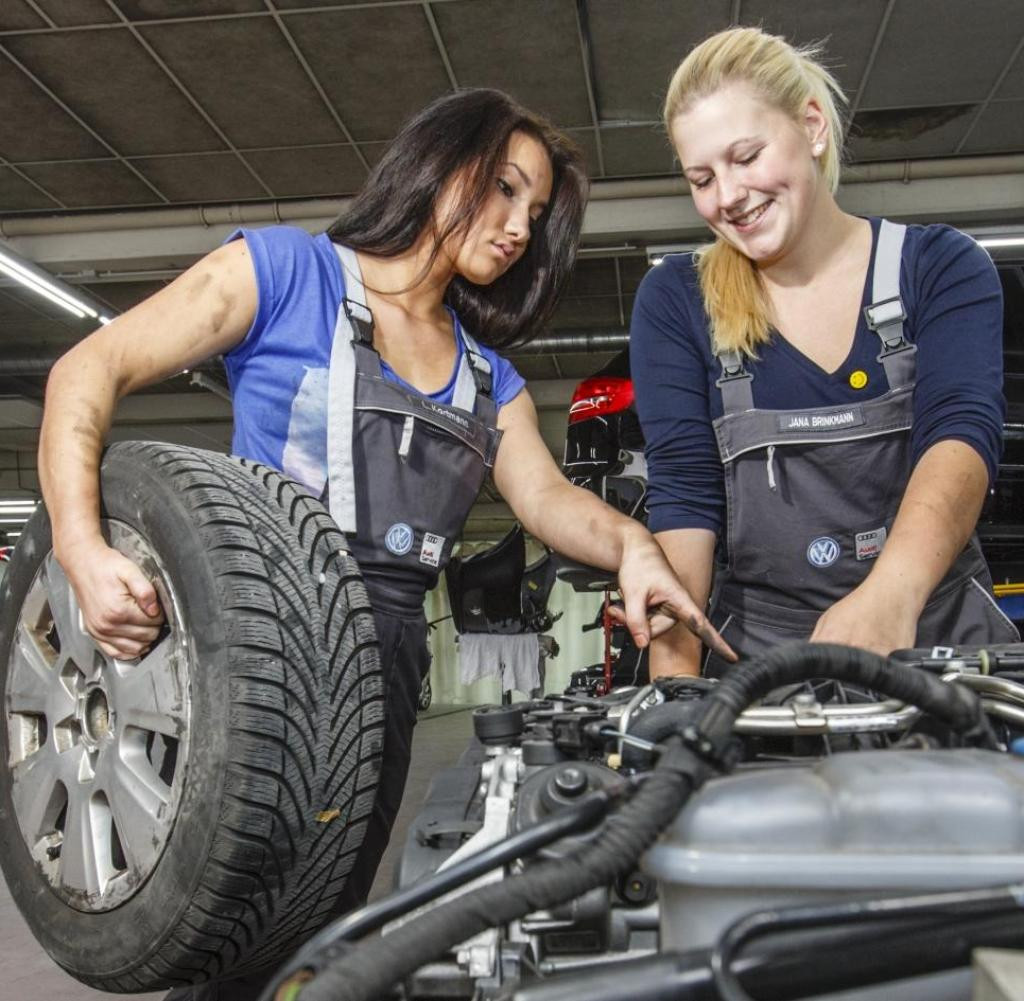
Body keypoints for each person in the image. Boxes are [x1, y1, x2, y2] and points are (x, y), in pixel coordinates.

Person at [38, 88, 734, 996]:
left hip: (387, 659)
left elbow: (546, 497)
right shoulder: (285, 272)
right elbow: (88, 368)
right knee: (230, 923)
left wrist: (635, 546)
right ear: (443, 163)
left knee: (330, 923)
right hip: (258, 640)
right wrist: (81, 549)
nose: (518, 225)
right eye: (505, 190)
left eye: (534, 212)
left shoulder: (489, 377)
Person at [630, 27, 1019, 679]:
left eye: (745, 156)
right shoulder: (677, 302)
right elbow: (686, 500)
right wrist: (673, 701)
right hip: (761, 664)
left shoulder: (941, 267)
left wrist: (891, 595)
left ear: (811, 126)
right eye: (702, 178)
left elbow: (961, 436)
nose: (726, 195)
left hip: (938, 642)